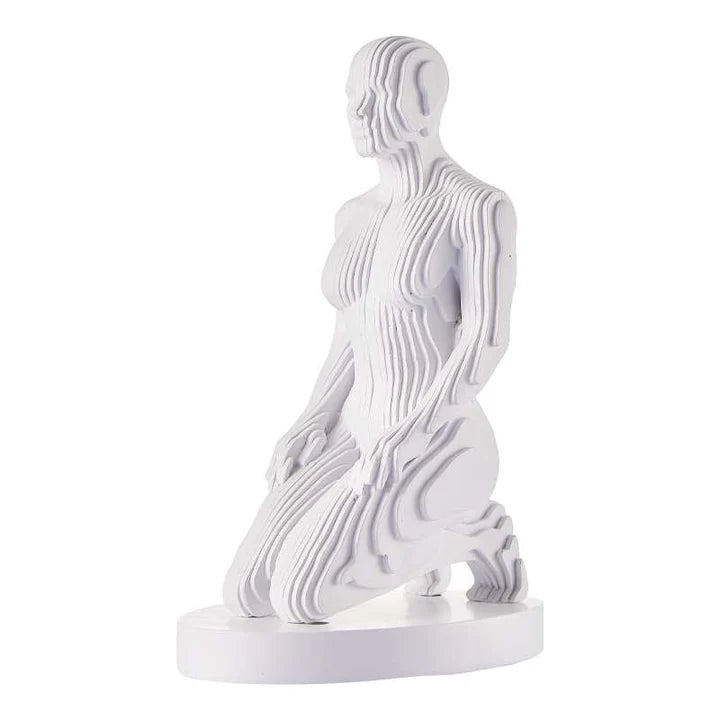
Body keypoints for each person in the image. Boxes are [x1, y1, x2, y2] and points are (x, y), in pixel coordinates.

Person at [223, 36, 526, 623]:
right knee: (248, 590)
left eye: (375, 96)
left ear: (424, 103)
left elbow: (485, 340)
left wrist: (411, 435)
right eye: (351, 98)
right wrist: (311, 419)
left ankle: (478, 535)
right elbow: (350, 336)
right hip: (355, 432)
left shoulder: (476, 206)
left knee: (301, 597)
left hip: (437, 436)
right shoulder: (353, 214)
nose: (358, 112)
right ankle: (411, 545)